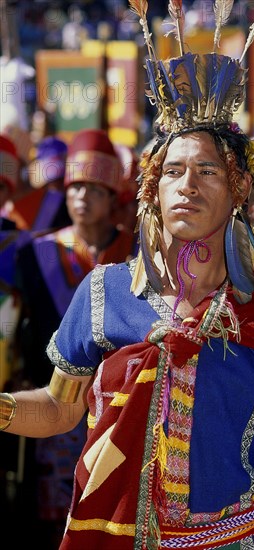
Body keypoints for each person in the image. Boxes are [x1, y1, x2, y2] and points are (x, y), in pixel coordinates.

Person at [1, 4, 254, 550]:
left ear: (238, 190)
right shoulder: (104, 293)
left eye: (208, 170)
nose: (187, 184)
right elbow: (59, 408)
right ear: (152, 191)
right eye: (173, 171)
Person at [8, 128, 137, 548]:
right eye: (75, 187)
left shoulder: (136, 257)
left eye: (93, 189)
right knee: (51, 516)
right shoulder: (35, 253)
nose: (82, 197)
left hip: (120, 403)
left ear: (111, 195)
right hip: (53, 396)